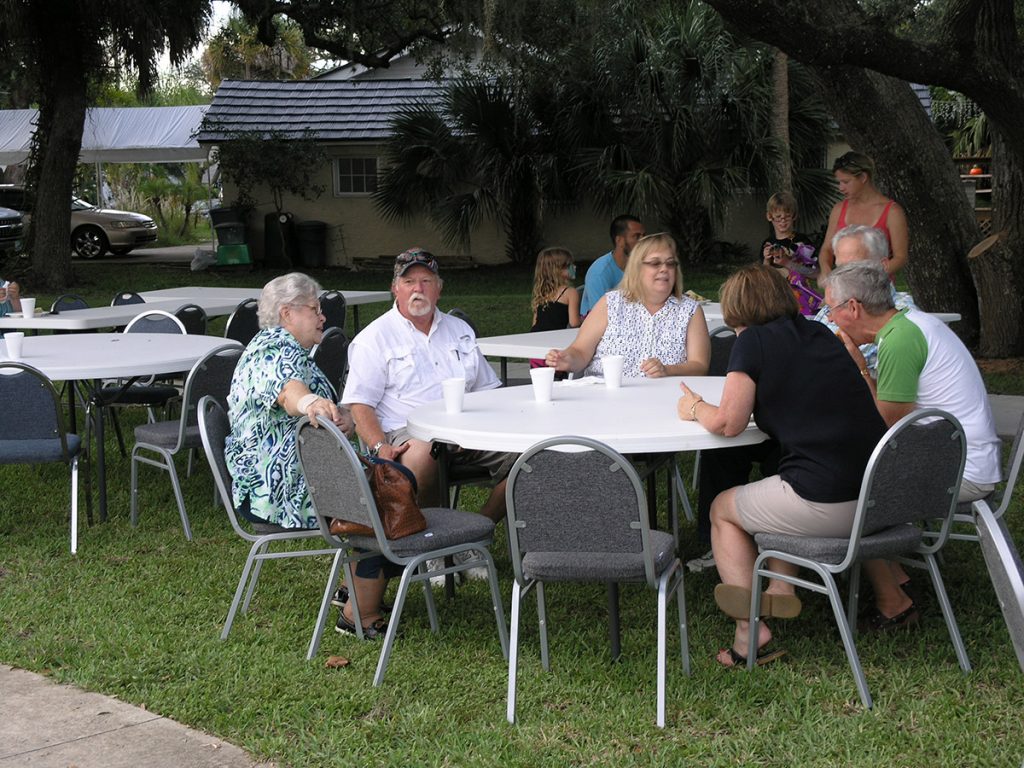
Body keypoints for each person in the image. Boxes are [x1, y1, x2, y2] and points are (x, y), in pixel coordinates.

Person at [676, 265, 886, 667]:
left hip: (830, 503)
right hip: (877, 494)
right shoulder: (819, 332)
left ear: (737, 311)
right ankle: (782, 589)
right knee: (776, 478)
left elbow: (728, 423)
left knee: (723, 508)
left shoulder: (752, 341)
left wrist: (694, 406)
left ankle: (749, 631)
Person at [822, 261, 1002, 630]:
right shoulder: (910, 324)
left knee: (845, 486)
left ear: (853, 308)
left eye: (830, 309)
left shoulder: (899, 341)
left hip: (960, 472)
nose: (829, 317)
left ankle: (894, 601)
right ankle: (896, 569)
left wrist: (858, 367)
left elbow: (890, 429)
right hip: (965, 458)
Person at [225, 273, 391, 640]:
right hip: (280, 493)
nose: (323, 318)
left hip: (286, 481)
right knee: (389, 497)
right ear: (287, 314)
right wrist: (310, 403)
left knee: (388, 479)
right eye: (315, 309)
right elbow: (289, 392)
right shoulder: (275, 349)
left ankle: (356, 585)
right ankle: (357, 614)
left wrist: (341, 414)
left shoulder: (281, 347)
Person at [341, 247, 513, 523]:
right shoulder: (373, 338)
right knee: (423, 451)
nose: (417, 289)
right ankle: (433, 541)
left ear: (439, 289)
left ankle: (478, 529)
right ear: (395, 289)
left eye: (426, 281)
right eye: (409, 282)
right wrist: (378, 447)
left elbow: (487, 390)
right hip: (406, 433)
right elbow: (360, 405)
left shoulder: (459, 330)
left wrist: (483, 429)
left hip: (466, 429)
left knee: (532, 456)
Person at [545, 233, 710, 379]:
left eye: (670, 263)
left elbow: (699, 366)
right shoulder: (611, 304)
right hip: (605, 400)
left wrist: (667, 370)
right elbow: (581, 352)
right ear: (637, 269)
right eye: (655, 263)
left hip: (663, 402)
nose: (664, 269)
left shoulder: (690, 310)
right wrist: (566, 358)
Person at [818, 151, 909, 277]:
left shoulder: (892, 212)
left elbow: (900, 258)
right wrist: (826, 270)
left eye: (846, 182)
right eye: (839, 182)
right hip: (844, 288)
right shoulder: (839, 209)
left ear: (863, 178)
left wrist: (869, 277)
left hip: (877, 290)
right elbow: (826, 249)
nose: (840, 188)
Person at [760, 192, 821, 316]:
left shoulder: (802, 242)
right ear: (769, 216)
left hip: (801, 302)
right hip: (775, 300)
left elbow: (816, 274)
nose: (782, 221)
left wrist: (788, 263)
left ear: (794, 216)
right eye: (778, 217)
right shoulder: (767, 243)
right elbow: (763, 278)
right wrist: (767, 260)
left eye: (787, 217)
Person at [580, 214, 645, 315]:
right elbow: (599, 315)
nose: (643, 241)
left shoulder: (644, 267)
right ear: (619, 241)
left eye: (644, 236)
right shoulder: (599, 273)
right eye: (636, 236)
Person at [529, 246, 581, 372]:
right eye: (569, 265)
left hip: (535, 343)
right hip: (554, 345)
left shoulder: (541, 292)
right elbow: (574, 323)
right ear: (558, 270)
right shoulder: (570, 292)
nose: (574, 267)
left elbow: (535, 322)